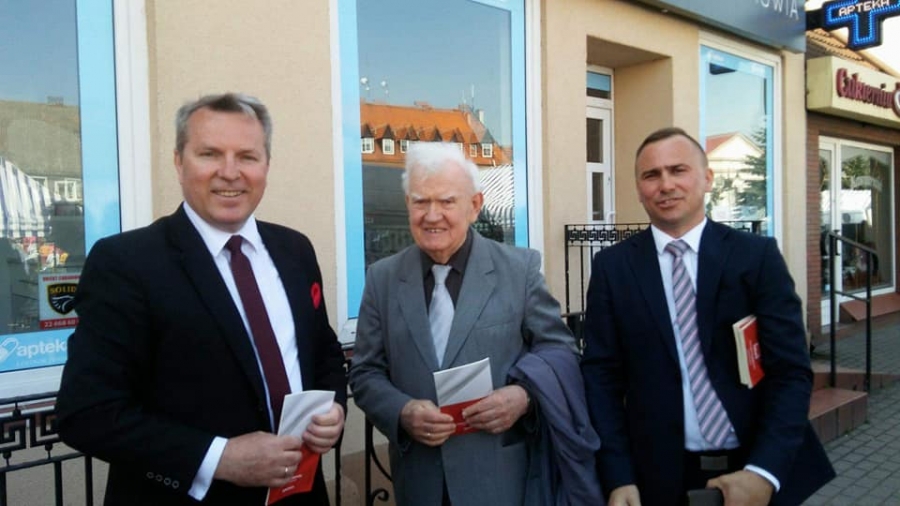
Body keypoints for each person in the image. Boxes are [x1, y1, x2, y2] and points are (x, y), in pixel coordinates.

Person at [57, 93, 347, 506]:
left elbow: (324, 354)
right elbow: (86, 412)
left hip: (299, 494)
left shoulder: (295, 250)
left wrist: (334, 410)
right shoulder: (126, 262)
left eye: (247, 156)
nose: (230, 172)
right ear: (179, 162)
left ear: (266, 165)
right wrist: (218, 459)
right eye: (210, 154)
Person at [581, 127, 835, 506]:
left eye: (678, 170)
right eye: (651, 175)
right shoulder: (613, 268)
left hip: (752, 470)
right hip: (657, 478)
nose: (665, 185)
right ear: (638, 189)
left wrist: (764, 472)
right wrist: (618, 475)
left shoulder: (756, 257)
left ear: (707, 178)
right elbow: (601, 378)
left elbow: (791, 372)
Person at [349, 142, 582, 506]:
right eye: (420, 201)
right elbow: (365, 373)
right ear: (408, 204)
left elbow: (560, 351)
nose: (432, 215)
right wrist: (402, 412)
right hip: (420, 482)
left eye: (446, 201)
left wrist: (523, 397)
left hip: (500, 480)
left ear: (475, 205)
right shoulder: (383, 278)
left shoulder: (518, 271)